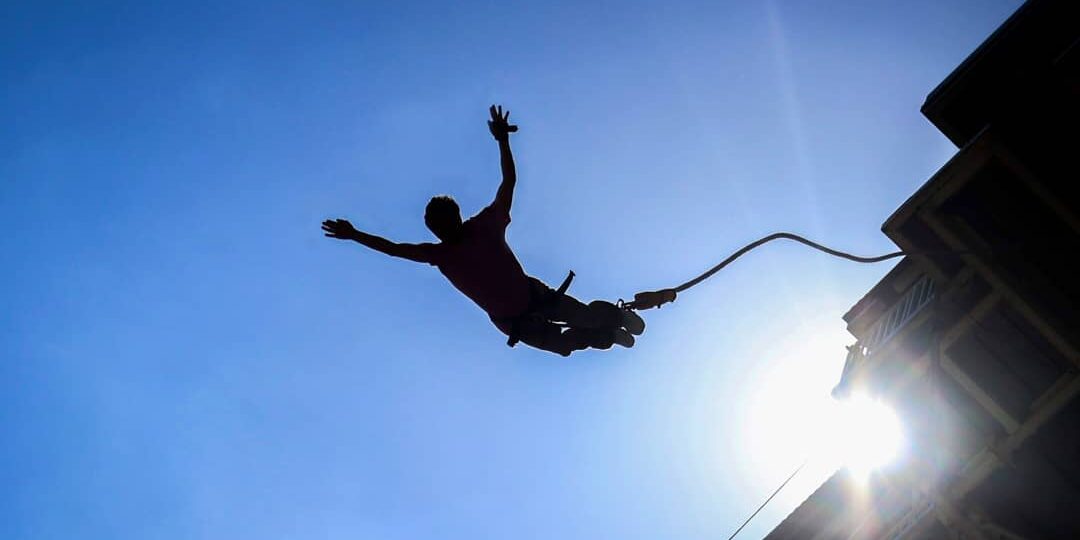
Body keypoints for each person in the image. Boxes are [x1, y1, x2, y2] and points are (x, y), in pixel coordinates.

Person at [321, 105, 644, 356]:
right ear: (434, 231)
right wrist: (355, 235)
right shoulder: (439, 254)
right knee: (563, 346)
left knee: (583, 317)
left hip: (534, 298)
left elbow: (508, 183)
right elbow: (393, 248)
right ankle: (609, 335)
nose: (443, 232)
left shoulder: (484, 226)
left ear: (457, 218)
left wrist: (503, 141)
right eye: (437, 228)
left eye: (446, 223)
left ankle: (615, 318)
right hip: (512, 321)